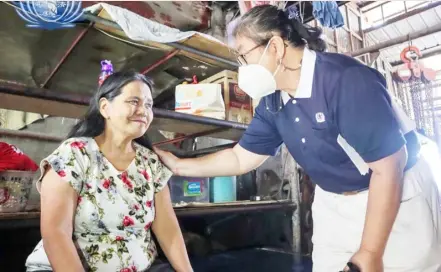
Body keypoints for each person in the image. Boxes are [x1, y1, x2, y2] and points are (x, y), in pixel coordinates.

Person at [154, 5, 441, 272]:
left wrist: (370, 250)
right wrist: (179, 166)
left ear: (275, 47)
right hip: (335, 203)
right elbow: (240, 157)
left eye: (243, 55)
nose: (241, 66)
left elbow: (388, 168)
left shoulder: (345, 80)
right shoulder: (273, 101)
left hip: (394, 198)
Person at [25, 71, 192, 272]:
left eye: (148, 105)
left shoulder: (150, 163)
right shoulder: (75, 154)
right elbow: (56, 232)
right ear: (105, 108)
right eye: (134, 101)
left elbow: (168, 230)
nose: (143, 110)